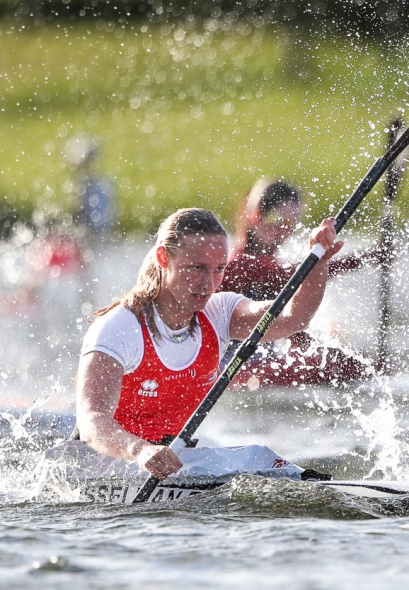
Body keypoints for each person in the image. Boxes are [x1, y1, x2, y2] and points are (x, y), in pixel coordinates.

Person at [74, 208, 342, 480]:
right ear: (163, 258)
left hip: (171, 463)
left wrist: (318, 261)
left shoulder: (219, 313)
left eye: (219, 269)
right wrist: (141, 451)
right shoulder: (119, 327)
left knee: (261, 458)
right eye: (197, 268)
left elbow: (293, 318)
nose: (208, 284)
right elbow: (91, 421)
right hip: (105, 464)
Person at [218, 178, 385, 387]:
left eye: (291, 224)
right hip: (227, 373)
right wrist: (365, 257)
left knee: (341, 364)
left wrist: (350, 363)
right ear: (256, 216)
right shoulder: (234, 265)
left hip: (257, 371)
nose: (284, 232)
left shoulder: (269, 274)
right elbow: (294, 275)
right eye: (278, 220)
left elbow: (296, 333)